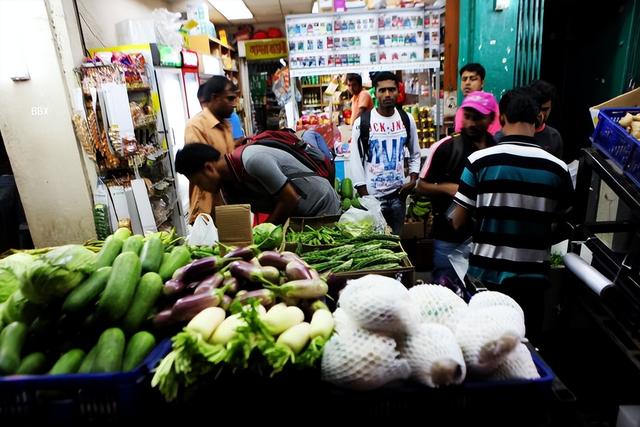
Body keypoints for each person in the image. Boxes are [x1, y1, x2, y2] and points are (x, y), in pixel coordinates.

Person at [450, 88, 574, 340]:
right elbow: (562, 223)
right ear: (538, 119)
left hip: (486, 279)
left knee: (485, 348)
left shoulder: (478, 161)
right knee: (526, 350)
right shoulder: (558, 169)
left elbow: (457, 221)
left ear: (502, 118)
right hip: (533, 280)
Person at [416, 91, 498, 286]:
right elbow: (421, 186)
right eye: (467, 116)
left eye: (477, 118)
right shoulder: (447, 147)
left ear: (491, 118)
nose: (470, 123)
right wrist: (448, 188)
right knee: (446, 294)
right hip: (448, 240)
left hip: (485, 241)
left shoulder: (497, 150)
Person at [174, 143, 341, 225]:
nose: (202, 188)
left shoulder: (253, 160)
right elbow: (237, 224)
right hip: (298, 215)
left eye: (198, 182)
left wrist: (265, 235)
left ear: (209, 168)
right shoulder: (227, 185)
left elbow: (290, 198)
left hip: (320, 205)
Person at [350, 71, 421, 235]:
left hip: (398, 197)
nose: (387, 94)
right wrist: (367, 198)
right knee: (376, 247)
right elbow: (355, 161)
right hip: (373, 198)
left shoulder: (406, 119)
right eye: (382, 90)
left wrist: (413, 179)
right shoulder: (363, 123)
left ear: (398, 91)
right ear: (375, 92)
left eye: (391, 89)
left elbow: (415, 154)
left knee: (396, 245)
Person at [185, 76, 238, 223]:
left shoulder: (226, 125)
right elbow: (201, 168)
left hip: (226, 202)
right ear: (215, 98)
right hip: (206, 207)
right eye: (230, 98)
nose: (234, 104)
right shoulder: (196, 126)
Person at [494, 81, 564, 160]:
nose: (540, 114)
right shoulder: (502, 137)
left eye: (545, 109)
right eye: (537, 108)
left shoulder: (554, 137)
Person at [454, 63, 501, 135]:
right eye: (464, 79)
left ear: (482, 83)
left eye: (473, 79)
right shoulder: (462, 108)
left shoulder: (490, 107)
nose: (467, 83)